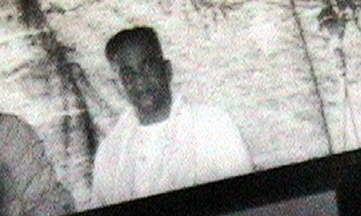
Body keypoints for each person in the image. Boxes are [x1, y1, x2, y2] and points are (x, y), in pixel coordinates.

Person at [91, 27, 254, 206]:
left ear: (167, 70)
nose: (140, 81)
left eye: (147, 68)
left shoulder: (213, 126)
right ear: (121, 85)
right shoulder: (109, 153)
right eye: (128, 75)